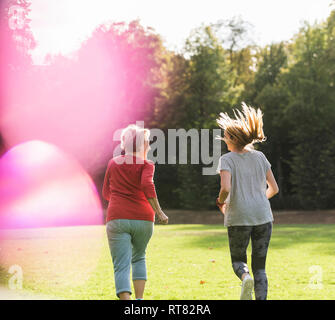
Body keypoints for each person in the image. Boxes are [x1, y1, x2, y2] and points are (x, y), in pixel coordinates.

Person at [215, 103, 279, 300]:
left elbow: (226, 189)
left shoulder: (227, 159)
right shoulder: (260, 157)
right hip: (263, 217)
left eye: (226, 136)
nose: (224, 139)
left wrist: (220, 202)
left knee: (238, 260)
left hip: (238, 217)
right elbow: (274, 189)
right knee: (260, 267)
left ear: (233, 139)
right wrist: (258, 199)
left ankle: (245, 278)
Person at [102, 124, 168, 300]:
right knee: (139, 258)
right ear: (142, 145)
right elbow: (147, 185)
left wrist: (119, 202)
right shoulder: (147, 164)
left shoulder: (113, 163)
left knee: (121, 265)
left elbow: (105, 193)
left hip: (117, 218)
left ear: (125, 144)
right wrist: (159, 212)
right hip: (144, 218)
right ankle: (139, 301)